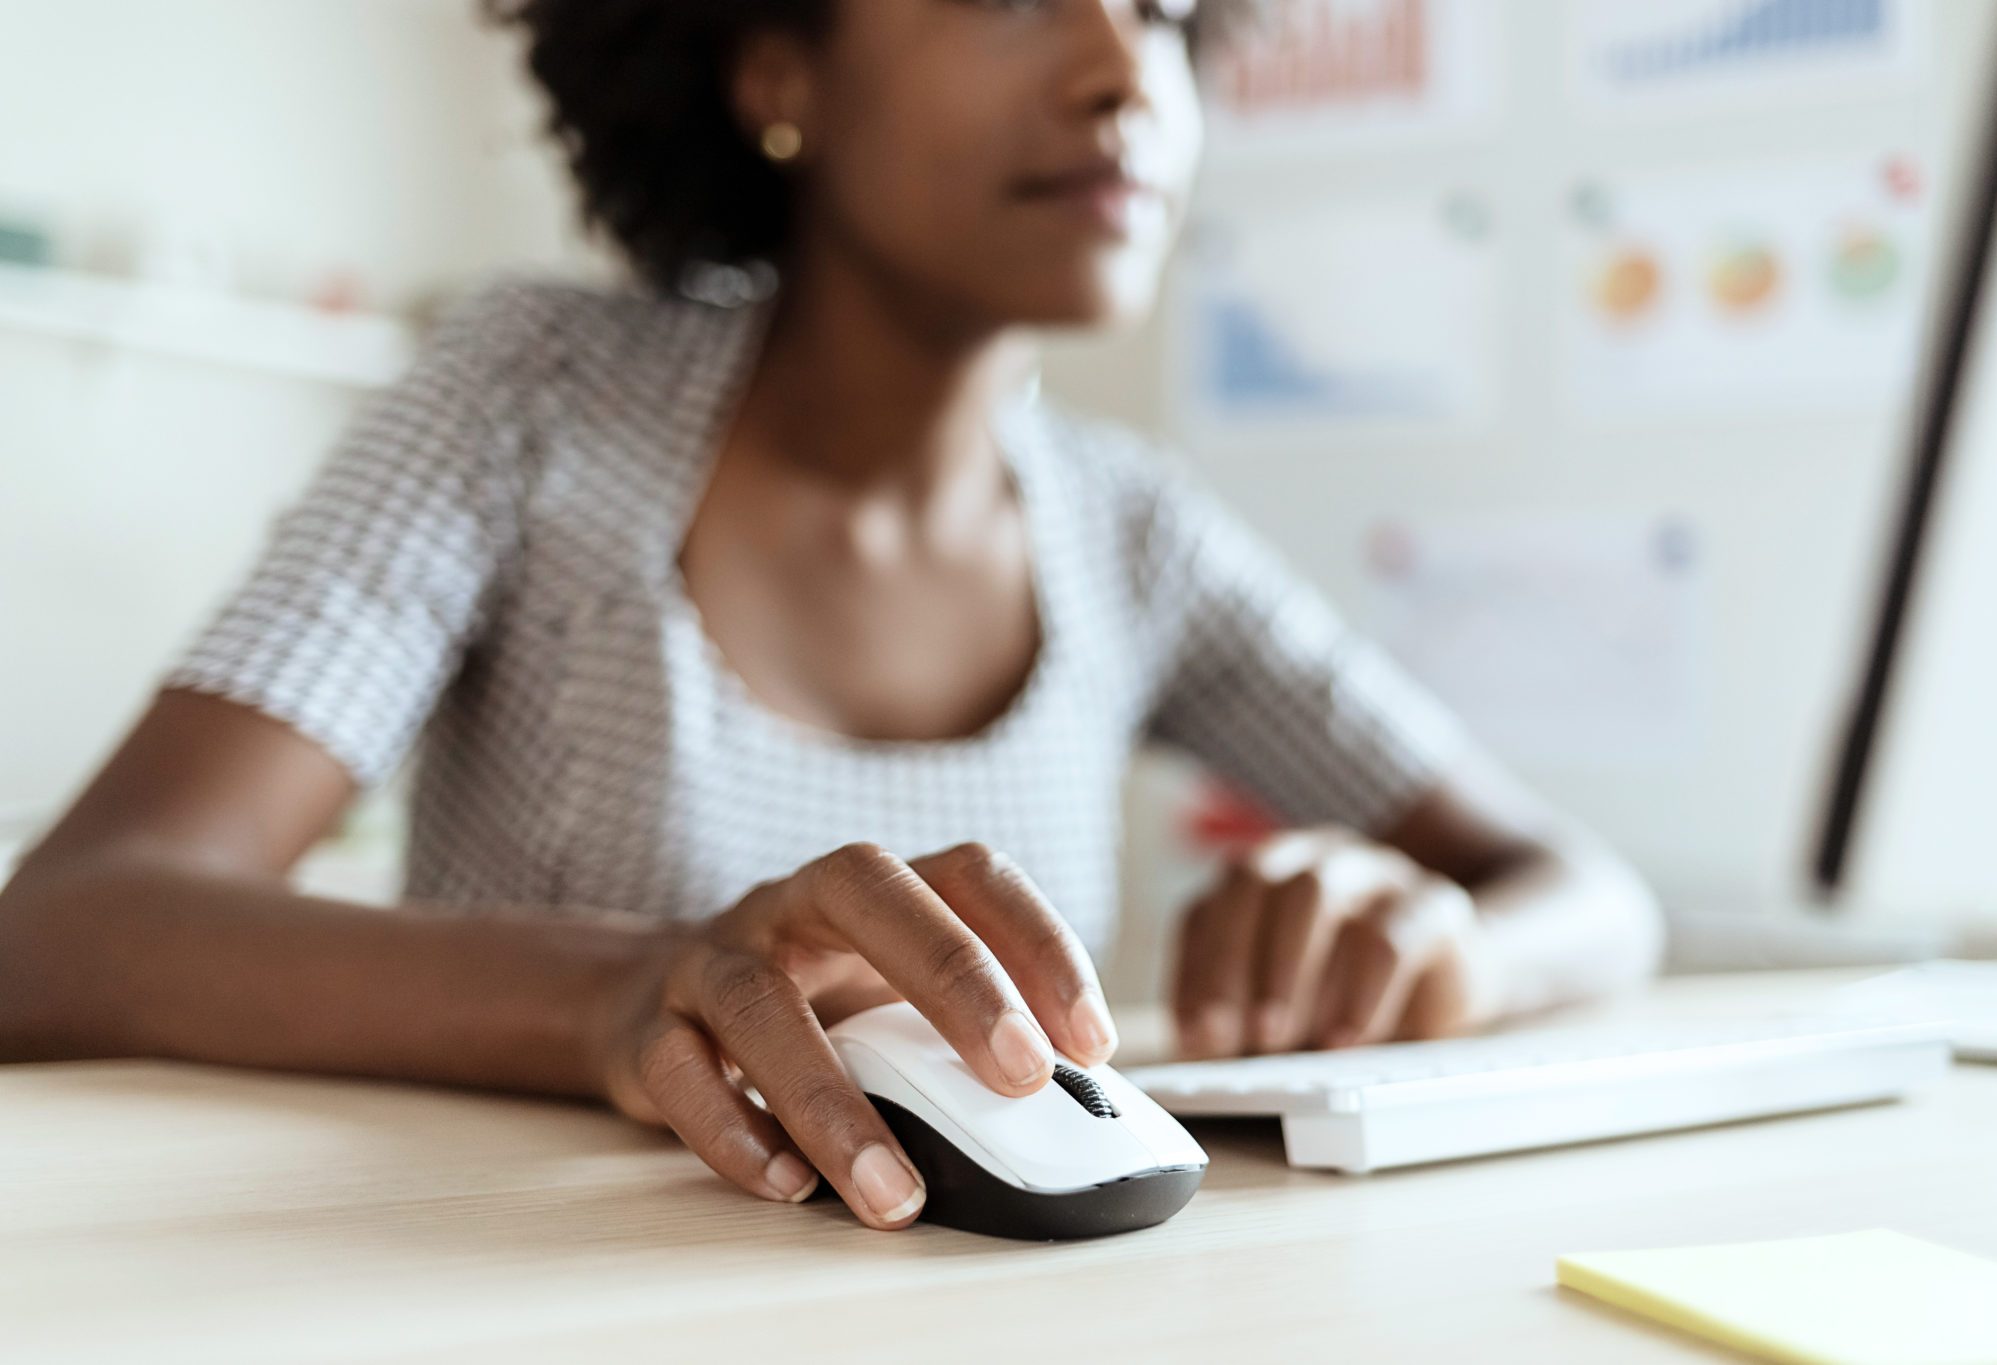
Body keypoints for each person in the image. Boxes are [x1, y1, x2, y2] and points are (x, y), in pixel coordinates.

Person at [0, 0, 1661, 1233]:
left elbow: (1593, 894)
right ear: (775, 70)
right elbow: (66, 930)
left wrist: (1446, 946)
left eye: (1163, 8)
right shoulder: (534, 398)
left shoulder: (1132, 529)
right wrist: (622, 991)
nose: (1120, 72)